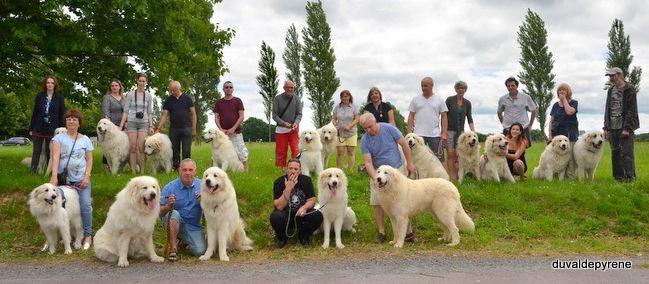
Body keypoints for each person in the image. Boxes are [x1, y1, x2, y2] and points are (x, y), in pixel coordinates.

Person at [360, 113, 417, 243]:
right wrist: (376, 178)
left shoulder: (389, 128)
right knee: (376, 202)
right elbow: (368, 162)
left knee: (404, 201)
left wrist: (410, 163)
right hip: (378, 173)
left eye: (370, 127)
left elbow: (404, 144)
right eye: (365, 128)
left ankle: (408, 233)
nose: (368, 130)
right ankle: (382, 232)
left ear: (375, 122)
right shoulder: (365, 140)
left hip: (397, 170)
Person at [49, 109, 93, 249]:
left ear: (79, 123)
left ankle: (88, 235)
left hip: (81, 179)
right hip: (64, 180)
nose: (71, 121)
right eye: (69, 119)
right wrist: (54, 176)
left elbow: (89, 159)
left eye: (74, 119)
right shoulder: (58, 139)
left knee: (85, 205)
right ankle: (56, 237)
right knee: (59, 207)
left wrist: (87, 176)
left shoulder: (86, 139)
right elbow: (55, 157)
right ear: (65, 122)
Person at [269, 159, 323, 248]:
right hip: (286, 216)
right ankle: (282, 238)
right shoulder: (278, 182)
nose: (293, 171)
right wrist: (288, 189)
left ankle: (303, 236)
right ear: (286, 169)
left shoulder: (306, 180)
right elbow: (279, 206)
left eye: (296, 169)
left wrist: (304, 208)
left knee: (317, 215)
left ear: (300, 171)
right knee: (275, 217)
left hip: (301, 215)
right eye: (290, 168)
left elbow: (312, 200)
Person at [159, 158, 206, 260]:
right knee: (174, 213)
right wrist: (168, 206)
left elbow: (214, 207)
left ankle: (185, 241)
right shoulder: (170, 187)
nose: (187, 173)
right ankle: (173, 248)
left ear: (195, 171)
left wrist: (205, 200)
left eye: (190, 170)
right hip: (175, 222)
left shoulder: (203, 185)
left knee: (200, 251)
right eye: (184, 170)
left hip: (194, 226)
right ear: (179, 171)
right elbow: (158, 212)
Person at [603, 67, 639, 182]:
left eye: (613, 76)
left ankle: (630, 178)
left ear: (619, 75)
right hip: (612, 127)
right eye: (610, 76)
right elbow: (607, 109)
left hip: (625, 127)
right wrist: (606, 127)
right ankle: (618, 178)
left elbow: (631, 110)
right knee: (615, 154)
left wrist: (627, 128)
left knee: (627, 153)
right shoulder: (611, 90)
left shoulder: (630, 89)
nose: (611, 78)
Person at [156, 80, 197, 170]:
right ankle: (176, 167)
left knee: (186, 151)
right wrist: (158, 128)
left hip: (187, 128)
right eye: (170, 90)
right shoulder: (168, 100)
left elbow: (193, 114)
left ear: (178, 88)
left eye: (173, 90)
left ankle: (187, 168)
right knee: (175, 150)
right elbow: (164, 115)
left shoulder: (188, 98)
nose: (171, 92)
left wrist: (194, 129)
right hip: (174, 129)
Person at [29, 75, 65, 174]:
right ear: (45, 84)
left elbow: (62, 114)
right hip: (38, 127)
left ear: (55, 85)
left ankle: (51, 172)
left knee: (50, 152)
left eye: (52, 83)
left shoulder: (59, 97)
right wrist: (31, 128)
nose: (50, 84)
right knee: (37, 151)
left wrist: (62, 128)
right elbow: (35, 112)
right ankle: (33, 171)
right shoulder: (39, 96)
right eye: (48, 83)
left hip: (52, 128)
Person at [407, 76, 448, 162]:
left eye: (425, 86)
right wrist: (409, 132)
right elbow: (411, 116)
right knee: (418, 159)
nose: (423, 88)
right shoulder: (415, 100)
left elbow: (444, 117)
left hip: (435, 135)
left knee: (438, 160)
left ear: (431, 86)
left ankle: (438, 175)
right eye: (422, 86)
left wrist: (444, 133)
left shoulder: (439, 100)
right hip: (418, 135)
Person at [119, 73, 154, 174]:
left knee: (141, 148)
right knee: (133, 148)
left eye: (144, 81)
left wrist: (151, 125)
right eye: (140, 81)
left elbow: (150, 112)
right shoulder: (130, 94)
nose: (142, 83)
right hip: (132, 122)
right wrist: (121, 125)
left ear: (146, 82)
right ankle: (133, 171)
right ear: (137, 81)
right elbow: (125, 111)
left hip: (143, 123)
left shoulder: (148, 96)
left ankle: (142, 171)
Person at [213, 81, 249, 172]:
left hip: (236, 132)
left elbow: (241, 116)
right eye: (226, 87)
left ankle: (246, 171)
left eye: (230, 87)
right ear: (223, 89)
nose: (228, 89)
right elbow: (216, 117)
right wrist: (221, 130)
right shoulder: (219, 102)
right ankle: (214, 171)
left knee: (241, 151)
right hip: (222, 133)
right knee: (217, 151)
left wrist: (233, 128)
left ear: (233, 89)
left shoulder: (238, 101)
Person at [445, 81, 475, 181]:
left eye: (463, 88)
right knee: (450, 154)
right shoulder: (449, 100)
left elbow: (469, 118)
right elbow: (444, 116)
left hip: (461, 133)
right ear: (456, 89)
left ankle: (459, 176)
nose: (461, 90)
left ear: (465, 90)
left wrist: (473, 132)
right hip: (449, 131)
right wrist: (443, 131)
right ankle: (452, 177)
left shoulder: (467, 103)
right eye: (459, 88)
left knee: (459, 155)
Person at [497, 77, 537, 147]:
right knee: (507, 149)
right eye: (508, 86)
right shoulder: (502, 99)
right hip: (508, 129)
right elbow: (499, 112)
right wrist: (503, 123)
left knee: (522, 150)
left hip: (523, 128)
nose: (510, 87)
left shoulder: (526, 97)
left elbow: (533, 110)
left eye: (512, 85)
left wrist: (530, 125)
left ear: (517, 86)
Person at [272, 80, 303, 169]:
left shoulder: (297, 99)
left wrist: (296, 123)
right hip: (281, 129)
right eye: (288, 87)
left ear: (294, 88)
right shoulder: (277, 98)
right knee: (281, 149)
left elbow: (299, 114)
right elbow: (274, 115)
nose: (290, 89)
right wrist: (283, 123)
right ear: (284, 88)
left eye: (291, 88)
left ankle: (296, 166)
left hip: (294, 128)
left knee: (295, 149)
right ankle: (282, 168)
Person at [101, 79, 125, 173]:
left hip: (121, 126)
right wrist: (109, 124)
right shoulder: (107, 98)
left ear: (120, 87)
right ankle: (106, 167)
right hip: (110, 126)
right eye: (112, 86)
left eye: (116, 85)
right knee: (108, 146)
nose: (114, 87)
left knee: (119, 147)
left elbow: (126, 111)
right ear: (110, 87)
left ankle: (119, 167)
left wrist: (124, 123)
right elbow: (106, 112)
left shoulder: (124, 98)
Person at [332, 89, 359, 170]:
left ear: (349, 97)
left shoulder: (354, 106)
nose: (344, 98)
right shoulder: (337, 107)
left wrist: (350, 126)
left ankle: (350, 170)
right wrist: (335, 124)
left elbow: (357, 118)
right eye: (343, 96)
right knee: (340, 152)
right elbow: (333, 118)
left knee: (351, 152)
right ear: (341, 98)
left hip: (351, 133)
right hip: (340, 133)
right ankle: (339, 170)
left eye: (346, 96)